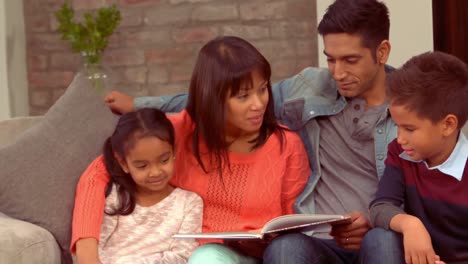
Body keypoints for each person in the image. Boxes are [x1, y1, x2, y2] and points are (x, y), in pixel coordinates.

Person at [104, 0, 401, 262]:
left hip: (376, 236)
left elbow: (418, 188)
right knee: (286, 248)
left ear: (382, 52)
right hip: (317, 245)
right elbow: (219, 96)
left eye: (350, 60)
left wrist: (380, 221)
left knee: (382, 239)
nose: (337, 73)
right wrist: (140, 105)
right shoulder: (312, 87)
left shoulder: (410, 112)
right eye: (330, 59)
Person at [72, 36, 310, 264]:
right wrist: (88, 256)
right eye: (243, 96)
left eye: (262, 89)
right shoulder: (176, 133)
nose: (258, 104)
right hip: (189, 256)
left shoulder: (286, 145)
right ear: (212, 98)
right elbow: (97, 174)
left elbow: (293, 226)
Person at [369, 51, 468, 264]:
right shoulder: (401, 153)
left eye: (409, 128)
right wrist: (410, 224)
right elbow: (380, 207)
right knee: (379, 238)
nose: (400, 138)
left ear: (448, 125)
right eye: (397, 126)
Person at [93, 108, 203, 263]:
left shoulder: (189, 203)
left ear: (173, 152)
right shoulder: (116, 197)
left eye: (164, 160)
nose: (155, 172)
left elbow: (183, 256)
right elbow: (97, 250)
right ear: (124, 164)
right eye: (142, 166)